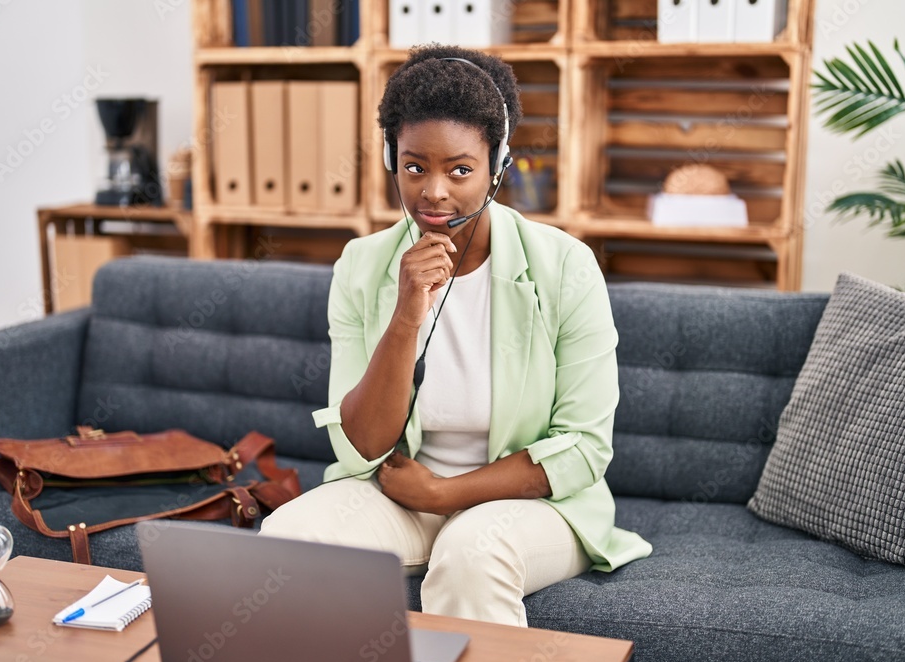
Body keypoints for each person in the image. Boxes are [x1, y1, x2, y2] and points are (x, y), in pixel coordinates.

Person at [259, 44, 652, 627]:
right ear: (393, 158)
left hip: (531, 503)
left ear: (499, 165)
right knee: (286, 534)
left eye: (460, 169)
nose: (434, 192)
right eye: (415, 166)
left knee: (471, 554)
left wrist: (445, 494)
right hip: (400, 492)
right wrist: (406, 312)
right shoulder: (362, 266)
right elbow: (362, 444)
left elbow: (584, 448)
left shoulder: (565, 266)